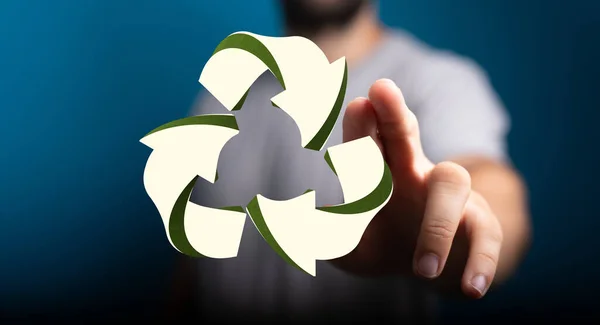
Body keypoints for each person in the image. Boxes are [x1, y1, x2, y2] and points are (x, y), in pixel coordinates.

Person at [171, 0, 532, 323]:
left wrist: (467, 231)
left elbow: (487, 186)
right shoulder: (218, 104)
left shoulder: (439, 83)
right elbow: (196, 268)